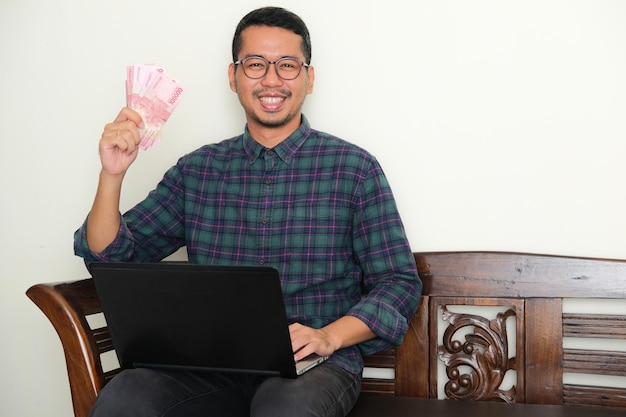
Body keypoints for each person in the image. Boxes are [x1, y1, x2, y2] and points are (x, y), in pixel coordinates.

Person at [74, 6, 421, 417]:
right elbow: (111, 257)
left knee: (283, 409)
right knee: (126, 398)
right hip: (208, 363)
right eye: (256, 64)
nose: (271, 79)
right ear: (233, 75)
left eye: (287, 66)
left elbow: (398, 282)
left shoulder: (354, 168)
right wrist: (112, 174)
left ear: (309, 79)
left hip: (312, 367)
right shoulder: (197, 170)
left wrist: (329, 336)